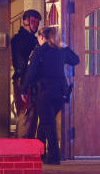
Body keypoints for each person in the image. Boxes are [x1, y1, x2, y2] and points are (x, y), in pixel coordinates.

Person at [20, 26, 79, 164]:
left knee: (48, 122)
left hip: (44, 92)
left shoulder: (39, 51)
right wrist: (65, 47)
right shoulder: (60, 51)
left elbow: (31, 72)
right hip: (60, 93)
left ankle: (54, 157)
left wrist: (23, 90)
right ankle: (38, 154)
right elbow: (75, 60)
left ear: (41, 37)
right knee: (46, 121)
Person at [10, 9, 42, 138]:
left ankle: (28, 148)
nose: (36, 25)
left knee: (31, 115)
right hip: (24, 80)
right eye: (33, 21)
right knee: (25, 114)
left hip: (29, 81)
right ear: (25, 21)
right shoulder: (19, 40)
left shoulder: (33, 40)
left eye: (37, 22)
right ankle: (21, 149)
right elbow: (22, 64)